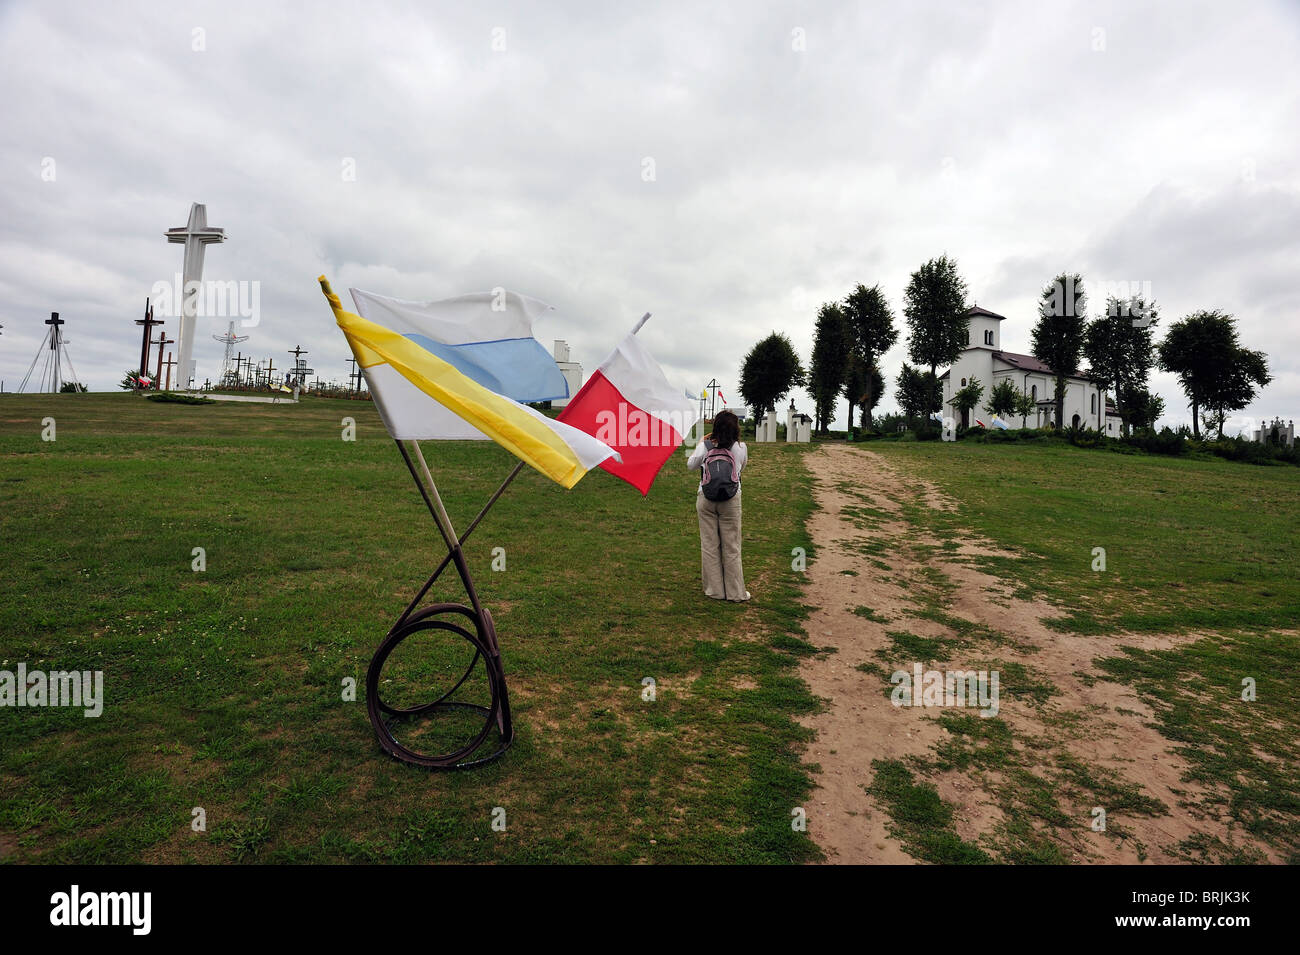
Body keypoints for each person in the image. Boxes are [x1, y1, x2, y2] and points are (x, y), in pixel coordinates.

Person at [686, 410, 750, 601]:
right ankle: (735, 592)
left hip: (706, 498)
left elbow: (690, 465)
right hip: (731, 499)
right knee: (731, 546)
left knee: (709, 545)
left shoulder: (706, 446)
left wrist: (700, 445)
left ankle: (714, 590)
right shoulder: (741, 448)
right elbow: (741, 470)